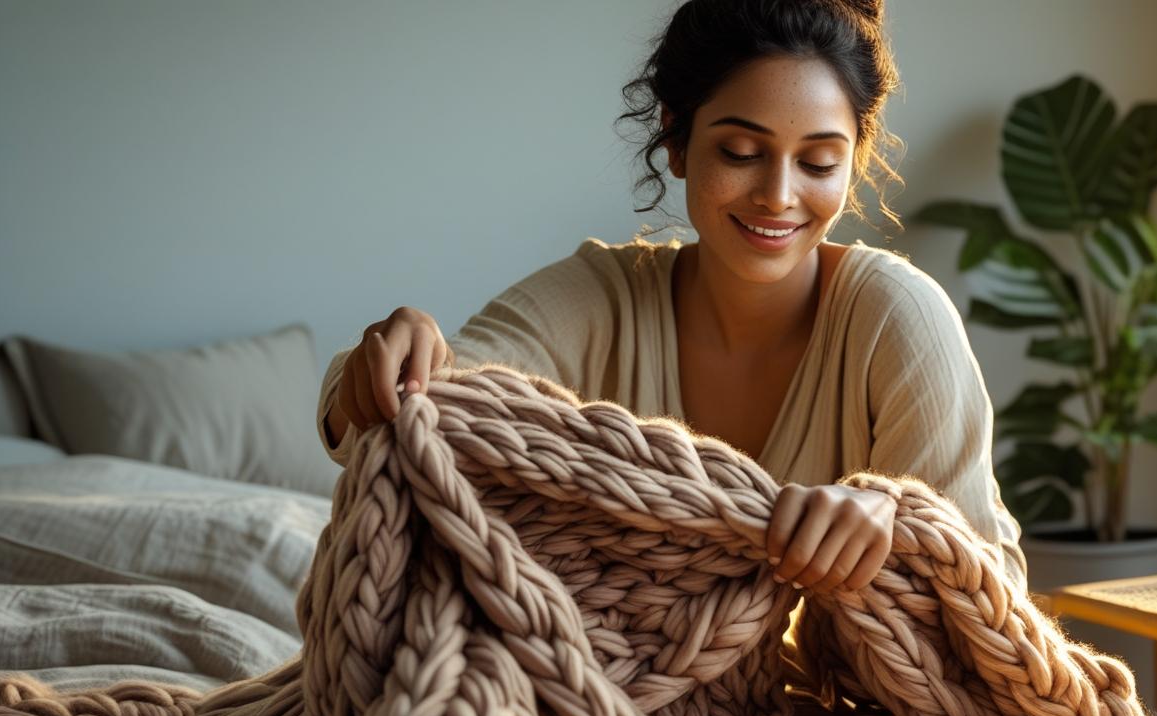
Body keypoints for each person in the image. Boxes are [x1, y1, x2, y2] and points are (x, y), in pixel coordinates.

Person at [317, 0, 1027, 592]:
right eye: (740, 154)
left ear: (855, 161)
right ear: (677, 141)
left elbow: (986, 594)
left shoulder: (896, 317)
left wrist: (894, 518)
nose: (779, 197)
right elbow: (427, 400)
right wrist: (391, 357)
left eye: (817, 162)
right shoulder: (604, 297)